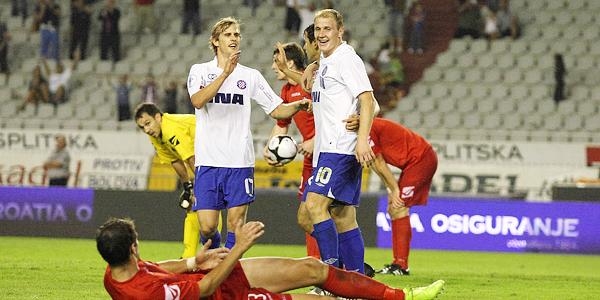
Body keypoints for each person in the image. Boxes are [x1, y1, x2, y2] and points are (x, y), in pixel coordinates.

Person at [187, 17, 311, 250]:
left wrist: (297, 105)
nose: (234, 38)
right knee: (207, 226)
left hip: (239, 161)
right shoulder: (200, 71)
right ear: (215, 41)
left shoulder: (250, 76)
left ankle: (227, 276)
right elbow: (198, 101)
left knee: (236, 224)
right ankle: (215, 263)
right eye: (228, 34)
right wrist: (224, 74)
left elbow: (276, 109)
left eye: (237, 34)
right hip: (208, 160)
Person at [96, 217, 446, 299]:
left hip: (217, 277)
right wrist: (238, 248)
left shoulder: (115, 274)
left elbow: (157, 268)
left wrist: (192, 261)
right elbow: (204, 289)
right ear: (132, 248)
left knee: (313, 268)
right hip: (223, 294)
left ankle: (399, 296)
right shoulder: (146, 294)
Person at [301, 9, 377, 276]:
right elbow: (370, 105)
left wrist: (363, 140)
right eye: (318, 29)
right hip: (328, 149)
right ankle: (356, 280)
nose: (322, 34)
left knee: (313, 205)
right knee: (343, 216)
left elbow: (368, 100)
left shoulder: (347, 59)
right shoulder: (326, 60)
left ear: (340, 31)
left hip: (341, 148)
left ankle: (332, 277)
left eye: (327, 29)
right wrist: (312, 66)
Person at [346, 116, 438, 276]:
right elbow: (374, 163)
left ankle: (401, 266)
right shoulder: (364, 128)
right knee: (394, 209)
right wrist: (391, 189)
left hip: (421, 159)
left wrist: (395, 190)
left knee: (398, 207)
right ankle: (399, 264)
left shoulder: (367, 128)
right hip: (414, 161)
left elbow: (379, 162)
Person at [134, 102, 212, 258]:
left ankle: (210, 250)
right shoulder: (156, 136)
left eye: (148, 124)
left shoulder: (172, 129)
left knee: (207, 205)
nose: (147, 130)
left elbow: (190, 158)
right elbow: (175, 160)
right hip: (206, 157)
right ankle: (189, 255)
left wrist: (201, 185)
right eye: (143, 127)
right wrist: (187, 186)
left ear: (158, 117)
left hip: (217, 149)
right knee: (193, 204)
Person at [265, 42, 319, 258]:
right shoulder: (287, 90)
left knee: (326, 212)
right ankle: (318, 266)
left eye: (275, 60)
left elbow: (335, 116)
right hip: (310, 160)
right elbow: (281, 123)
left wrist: (316, 140)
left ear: (289, 62)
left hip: (330, 154)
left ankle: (338, 265)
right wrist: (271, 149)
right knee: (307, 214)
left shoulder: (310, 84)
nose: (272, 66)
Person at [0, 19, 11, 84]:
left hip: (3, 46)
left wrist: (2, 45)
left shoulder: (2, 25)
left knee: (3, 58)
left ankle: (6, 78)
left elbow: (7, 37)